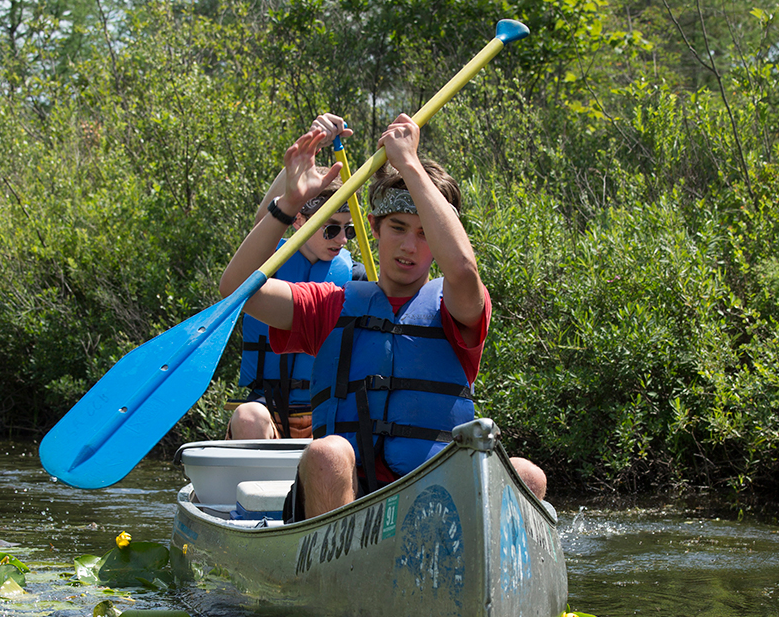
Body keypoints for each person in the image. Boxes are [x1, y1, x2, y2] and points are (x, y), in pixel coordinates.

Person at [219, 113, 547, 518]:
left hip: (434, 501)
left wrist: (409, 163)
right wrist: (287, 204)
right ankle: (333, 578)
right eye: (398, 227)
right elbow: (236, 290)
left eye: (426, 231)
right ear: (374, 227)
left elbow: (462, 269)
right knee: (328, 452)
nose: (410, 245)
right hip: (348, 503)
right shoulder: (330, 304)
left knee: (527, 477)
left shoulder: (457, 306)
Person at [221, 113, 360, 439]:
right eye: (331, 228)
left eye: (349, 230)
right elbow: (263, 220)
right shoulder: (269, 261)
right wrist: (301, 155)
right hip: (267, 411)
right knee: (248, 417)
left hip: (324, 414)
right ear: (299, 221)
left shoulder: (354, 276)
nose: (341, 239)